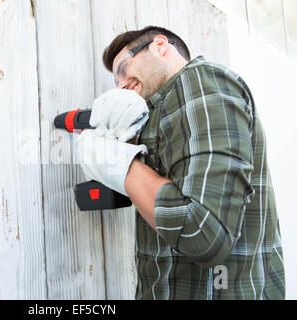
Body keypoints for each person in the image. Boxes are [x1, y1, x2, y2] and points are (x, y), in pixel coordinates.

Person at [76, 26, 285, 299]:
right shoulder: (162, 110)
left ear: (159, 46)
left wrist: (119, 164)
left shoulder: (200, 82)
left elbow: (203, 233)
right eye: (115, 83)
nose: (121, 85)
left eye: (123, 69)